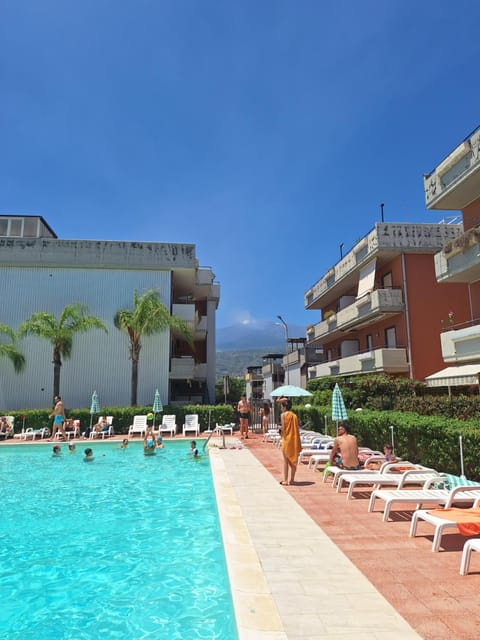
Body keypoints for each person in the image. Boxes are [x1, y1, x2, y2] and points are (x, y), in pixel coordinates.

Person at [279, 399, 302, 485]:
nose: (281, 408)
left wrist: (280, 430)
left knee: (286, 461)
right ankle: (292, 479)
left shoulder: (283, 415)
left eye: (282, 406)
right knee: (293, 460)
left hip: (286, 439)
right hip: (294, 439)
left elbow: (284, 428)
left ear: (284, 407)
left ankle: (285, 480)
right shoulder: (294, 415)